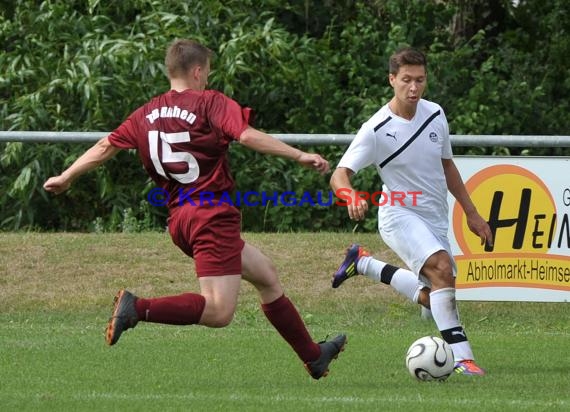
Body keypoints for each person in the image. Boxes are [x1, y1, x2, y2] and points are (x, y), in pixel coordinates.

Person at [43, 38, 346, 380]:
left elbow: (105, 145)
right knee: (218, 311)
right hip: (211, 216)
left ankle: (313, 356)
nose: (207, 79)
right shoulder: (209, 102)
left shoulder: (146, 113)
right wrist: (299, 154)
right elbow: (245, 136)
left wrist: (67, 175)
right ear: (198, 71)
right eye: (208, 73)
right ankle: (136, 308)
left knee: (266, 275)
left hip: (181, 220)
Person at [329, 47, 492, 376]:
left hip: (434, 217)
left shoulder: (435, 114)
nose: (414, 88)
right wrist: (350, 196)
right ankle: (462, 358)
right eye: (406, 80)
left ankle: (364, 263)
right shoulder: (376, 128)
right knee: (442, 269)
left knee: (436, 292)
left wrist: (472, 213)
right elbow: (339, 175)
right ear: (392, 80)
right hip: (397, 213)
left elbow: (447, 167)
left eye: (420, 80)